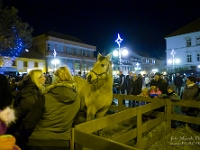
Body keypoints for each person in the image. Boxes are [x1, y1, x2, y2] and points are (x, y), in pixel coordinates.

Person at [19, 66, 80, 150]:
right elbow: (75, 121)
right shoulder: (77, 98)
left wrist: (20, 139)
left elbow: (30, 122)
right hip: (62, 142)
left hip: (39, 141)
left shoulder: (45, 97)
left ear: (55, 78)